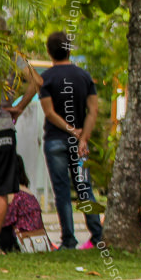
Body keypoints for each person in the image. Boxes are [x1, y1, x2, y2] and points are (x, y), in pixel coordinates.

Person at [0, 15, 41, 256]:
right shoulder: (11, 57)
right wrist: (19, 107)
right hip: (3, 129)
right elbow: (36, 81)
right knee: (0, 190)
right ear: (5, 35)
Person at [39, 31, 103, 249]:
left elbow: (49, 112)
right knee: (85, 187)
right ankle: (97, 235)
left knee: (62, 191)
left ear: (49, 51)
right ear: (69, 49)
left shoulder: (46, 78)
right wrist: (82, 137)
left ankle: (69, 239)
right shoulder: (84, 76)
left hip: (55, 141)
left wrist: (70, 130)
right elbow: (93, 110)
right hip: (80, 144)